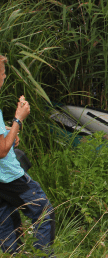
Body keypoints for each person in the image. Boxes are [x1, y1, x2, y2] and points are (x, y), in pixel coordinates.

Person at [0, 54, 55, 255]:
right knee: (43, 211)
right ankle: (43, 254)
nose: (4, 78)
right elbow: (3, 150)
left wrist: (8, 131)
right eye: (3, 73)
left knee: (7, 219)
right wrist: (18, 119)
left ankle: (12, 254)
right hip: (8, 175)